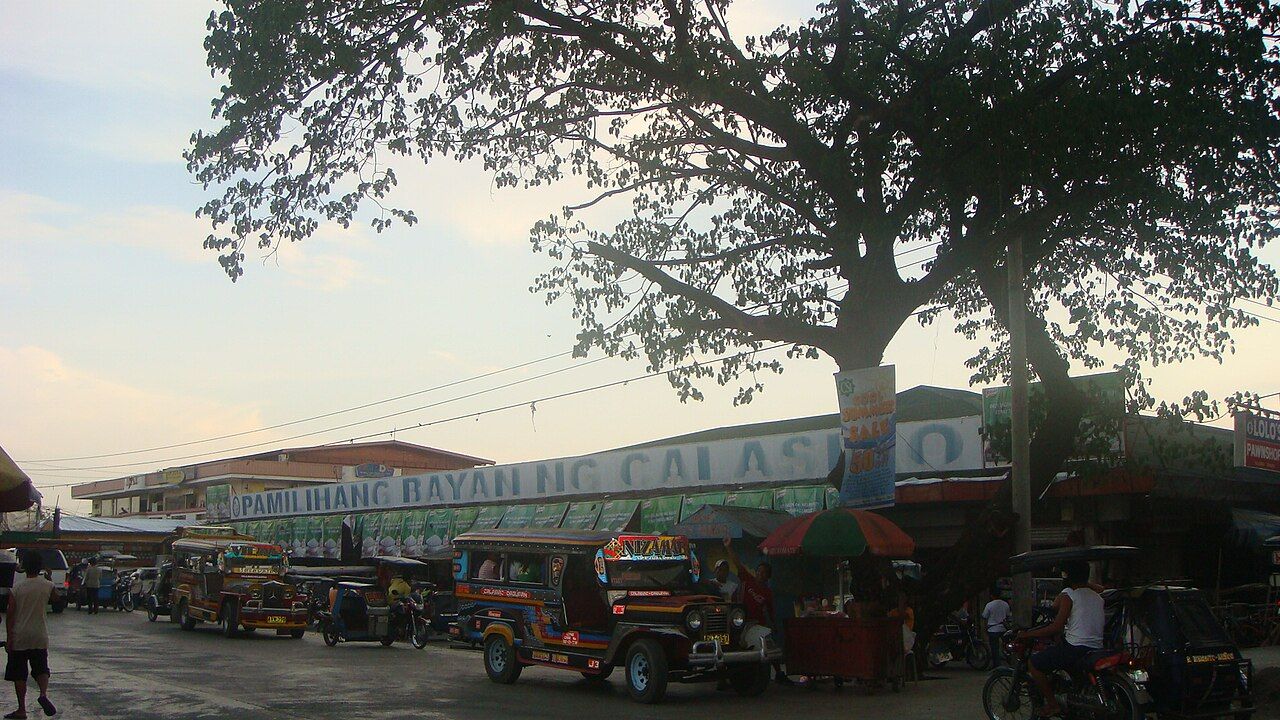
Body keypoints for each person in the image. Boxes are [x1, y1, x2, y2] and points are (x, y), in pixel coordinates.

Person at [1018, 561, 1104, 717]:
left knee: (1034, 663)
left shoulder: (1069, 595)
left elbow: (1056, 627)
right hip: (1096, 648)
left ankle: (1052, 705)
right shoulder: (1097, 597)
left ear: (1067, 576)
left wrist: (1028, 634)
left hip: (1075, 648)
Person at [722, 538, 790, 684]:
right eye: (759, 571)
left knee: (768, 647)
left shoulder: (767, 593)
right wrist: (728, 547)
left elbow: (769, 612)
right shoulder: (748, 580)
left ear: (768, 576)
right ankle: (723, 679)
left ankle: (778, 673)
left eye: (764, 573)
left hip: (757, 625)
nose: (760, 574)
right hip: (739, 622)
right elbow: (737, 564)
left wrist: (772, 626)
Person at [6, 553, 56, 718]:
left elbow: (10, 615)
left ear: (25, 567)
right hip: (39, 635)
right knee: (41, 668)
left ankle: (21, 709)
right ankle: (42, 694)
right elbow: (58, 599)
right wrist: (49, 578)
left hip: (20, 636)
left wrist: (9, 638)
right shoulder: (47, 585)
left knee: (19, 673)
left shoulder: (17, 588)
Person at [982, 585, 1011, 668]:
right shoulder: (1005, 604)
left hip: (992, 629)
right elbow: (1008, 616)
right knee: (1006, 646)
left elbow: (984, 617)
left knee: (994, 649)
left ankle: (996, 665)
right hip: (1003, 628)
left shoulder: (989, 605)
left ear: (991, 595)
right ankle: (1008, 660)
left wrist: (985, 628)